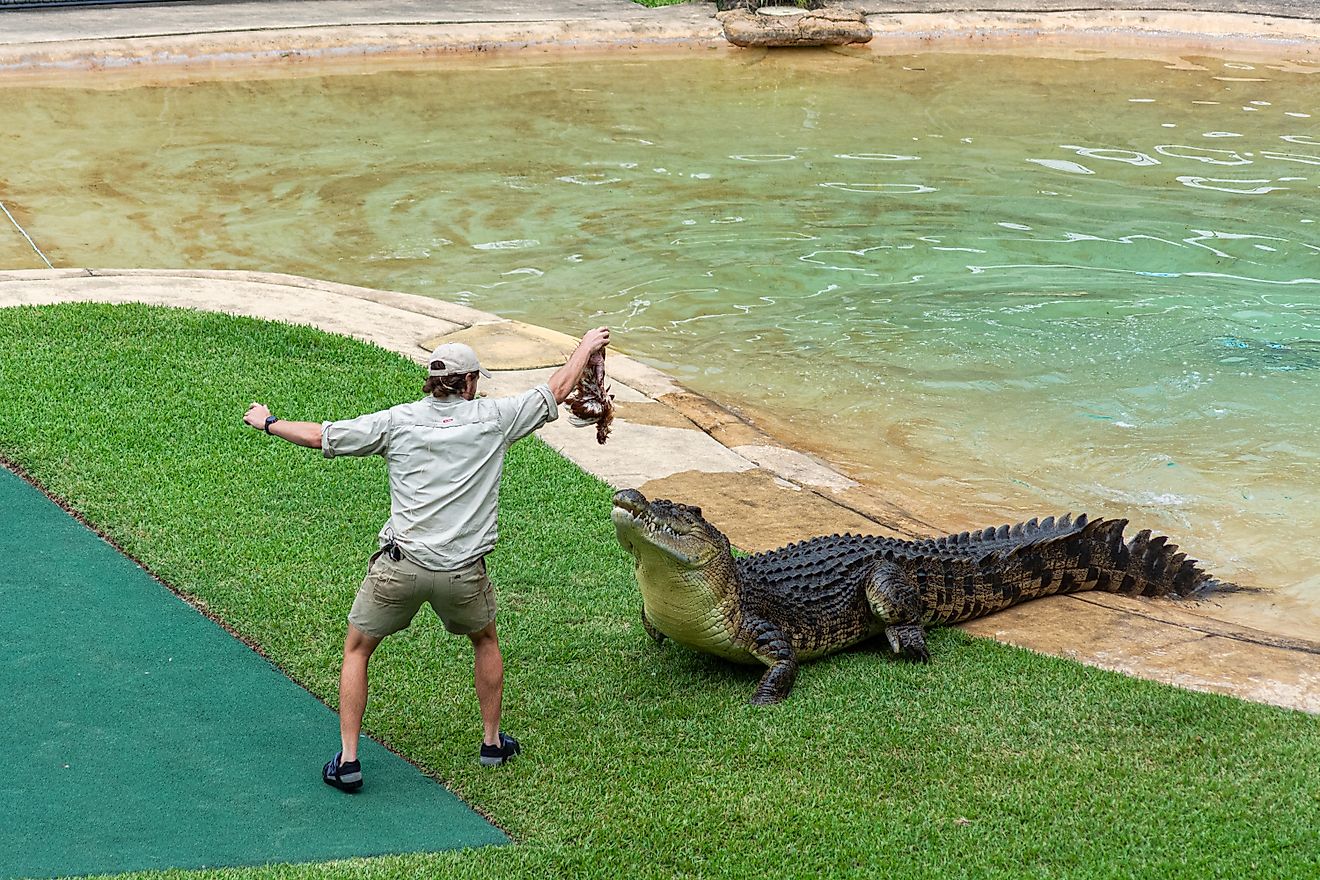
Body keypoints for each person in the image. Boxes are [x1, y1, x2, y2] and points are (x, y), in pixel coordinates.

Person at [243, 327, 610, 791]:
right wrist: (586, 346)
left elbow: (321, 437)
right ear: (470, 382)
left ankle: (350, 761)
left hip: (399, 569)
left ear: (433, 381)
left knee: (357, 649)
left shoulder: (398, 421)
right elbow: (558, 387)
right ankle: (493, 744)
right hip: (462, 575)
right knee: (484, 640)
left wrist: (269, 421)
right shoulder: (495, 418)